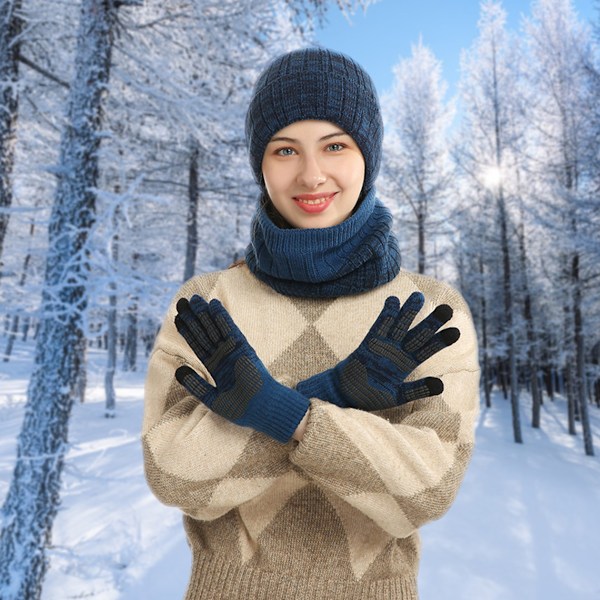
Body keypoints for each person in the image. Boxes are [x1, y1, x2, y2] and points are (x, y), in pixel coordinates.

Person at [142, 47, 480, 600]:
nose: (311, 173)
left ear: (367, 154)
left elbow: (424, 493)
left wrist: (288, 414)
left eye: (335, 145)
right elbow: (177, 477)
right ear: (261, 162)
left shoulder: (428, 310)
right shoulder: (207, 302)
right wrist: (334, 401)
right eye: (285, 149)